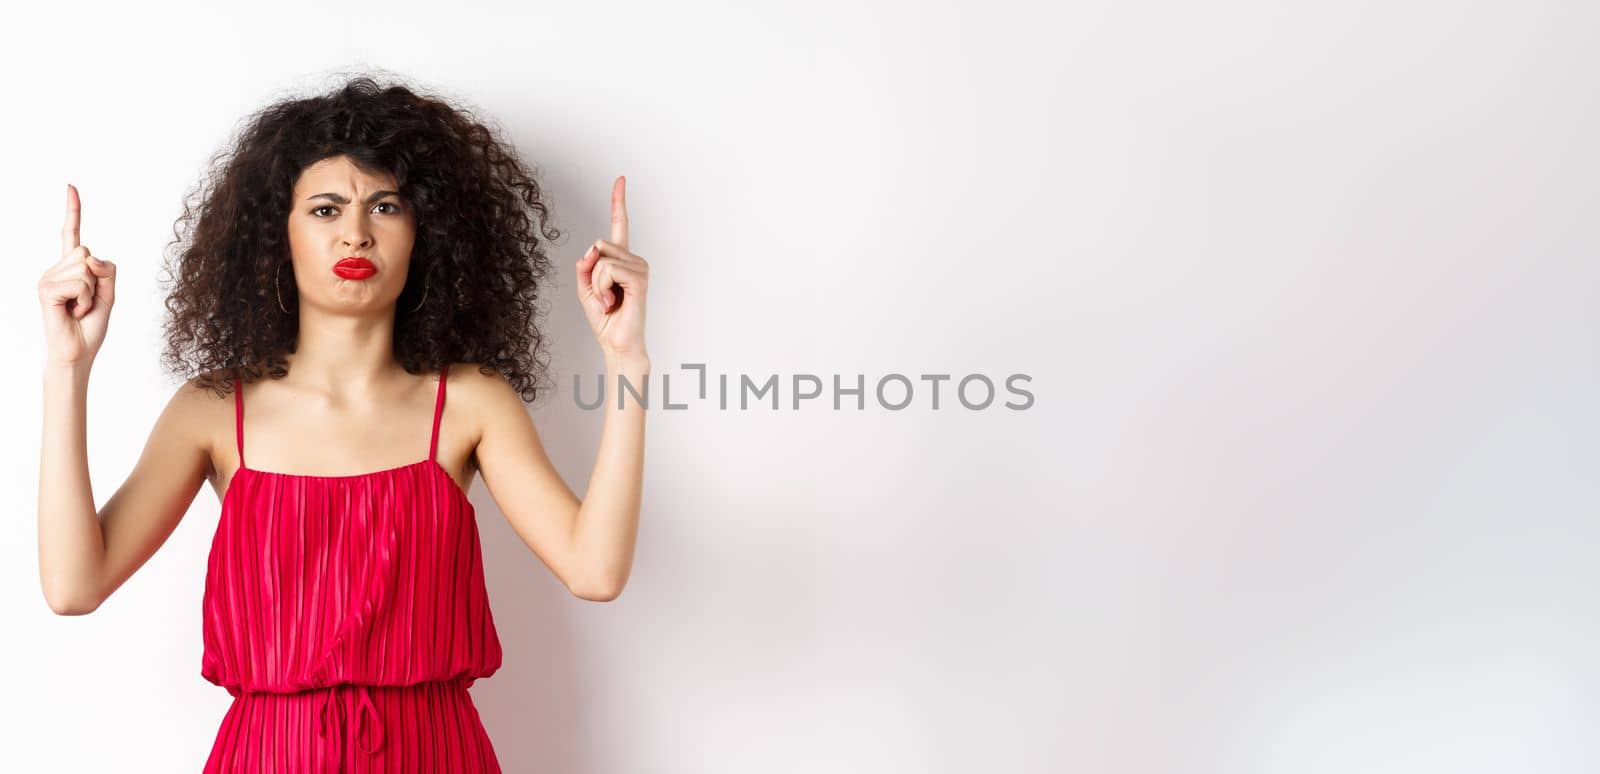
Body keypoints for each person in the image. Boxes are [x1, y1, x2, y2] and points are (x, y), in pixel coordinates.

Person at [35, 75, 651, 772]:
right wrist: (68, 369)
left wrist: (626, 359)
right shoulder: (211, 411)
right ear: (278, 234)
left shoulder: (472, 403)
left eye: (385, 206)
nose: (356, 231)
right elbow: (72, 587)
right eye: (325, 209)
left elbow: (595, 572)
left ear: (425, 233)